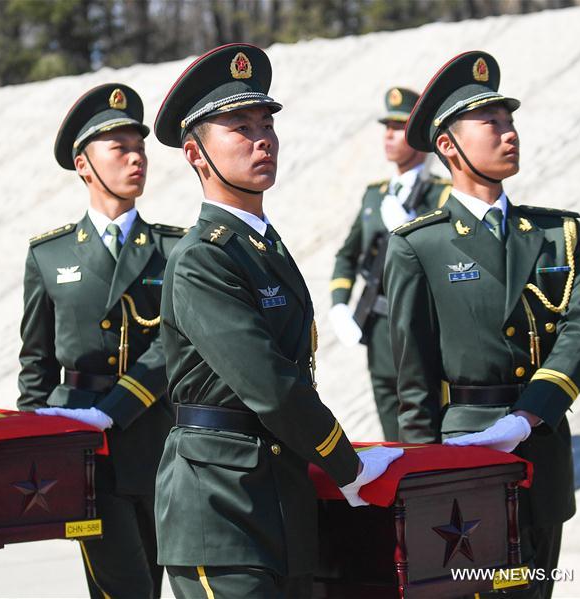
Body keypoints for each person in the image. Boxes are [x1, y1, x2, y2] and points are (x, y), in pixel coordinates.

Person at [152, 43, 403, 598]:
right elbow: (268, 381)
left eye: (266, 123)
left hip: (275, 497)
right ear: (196, 155)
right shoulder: (202, 257)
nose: (262, 138)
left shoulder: (259, 244)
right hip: (217, 507)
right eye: (239, 128)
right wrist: (346, 461)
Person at [385, 51, 580, 599]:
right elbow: (414, 383)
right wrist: (422, 480)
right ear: (449, 147)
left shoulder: (558, 234)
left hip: (543, 449)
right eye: (492, 123)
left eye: (510, 121)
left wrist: (531, 415)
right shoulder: (420, 246)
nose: (509, 134)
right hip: (466, 458)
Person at [19, 83, 185, 599]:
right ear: (85, 165)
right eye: (120, 148)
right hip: (83, 444)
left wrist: (116, 407)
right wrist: (33, 446)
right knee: (121, 586)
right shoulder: (49, 255)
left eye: (139, 147)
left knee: (157, 583)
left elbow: (179, 342)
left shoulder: (174, 249)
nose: (136, 158)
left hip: (158, 435)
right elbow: (35, 361)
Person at [328, 87, 451, 441]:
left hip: (422, 325)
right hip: (378, 325)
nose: (389, 136)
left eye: (398, 128)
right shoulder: (375, 194)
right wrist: (339, 304)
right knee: (389, 418)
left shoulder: (440, 194)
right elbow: (347, 256)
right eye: (386, 128)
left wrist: (410, 226)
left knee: (427, 424)